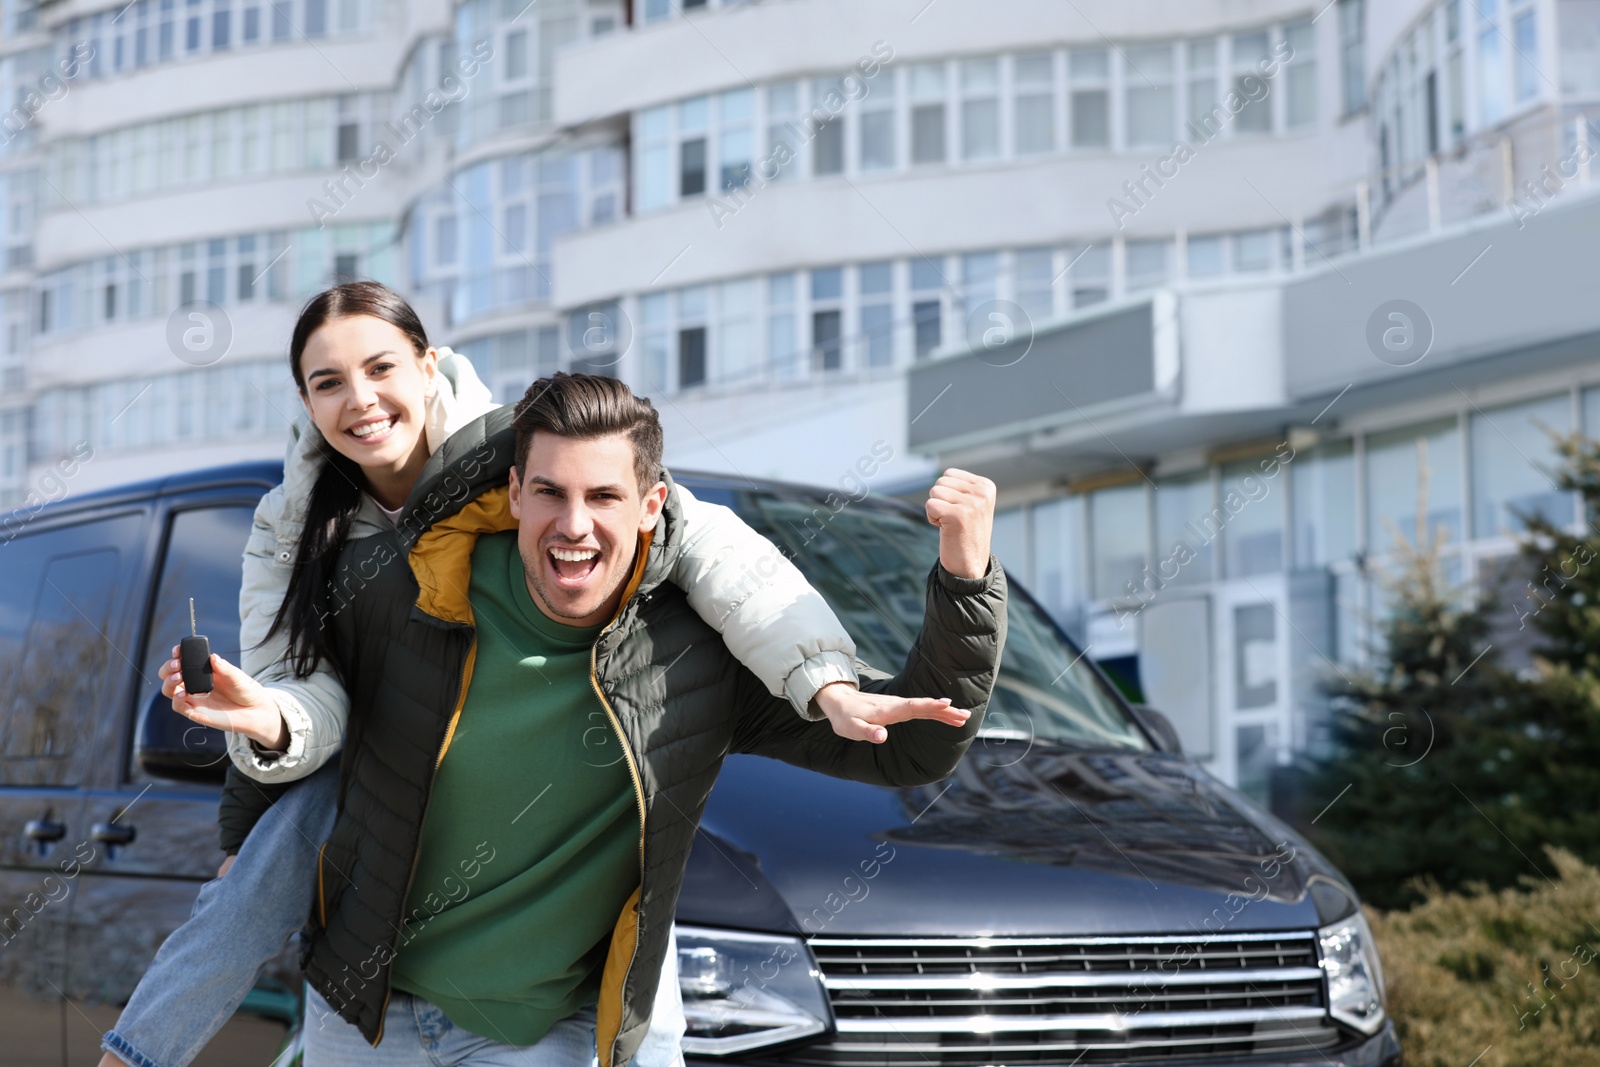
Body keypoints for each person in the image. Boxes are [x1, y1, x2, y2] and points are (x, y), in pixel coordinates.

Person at [96, 281, 916, 1067]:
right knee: (248, 880)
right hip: (369, 762)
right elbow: (293, 687)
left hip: (537, 787)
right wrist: (264, 733)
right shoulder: (293, 524)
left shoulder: (523, 455)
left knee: (635, 906)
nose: (360, 398)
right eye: (328, 382)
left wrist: (823, 675)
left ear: (428, 364)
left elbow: (714, 553)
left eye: (381, 367)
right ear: (306, 403)